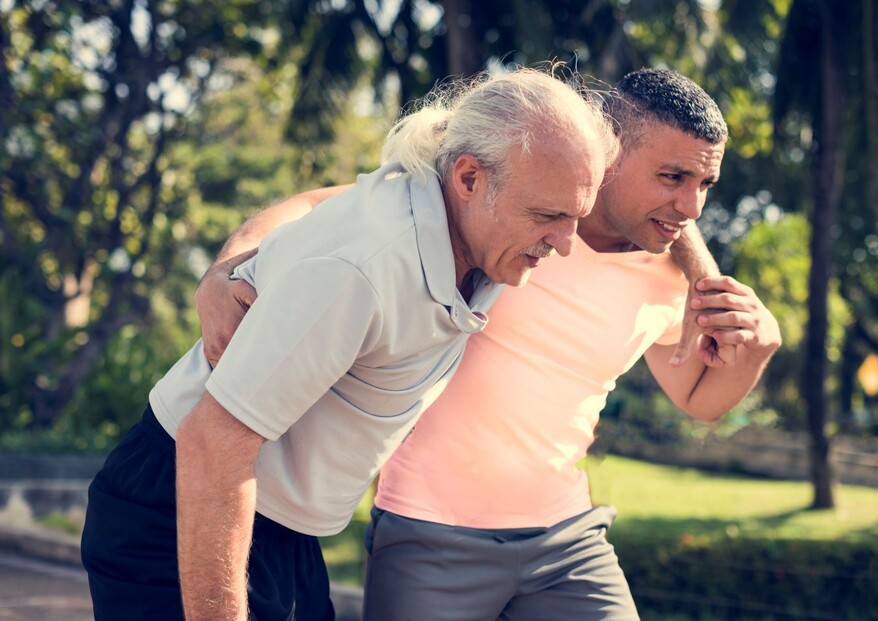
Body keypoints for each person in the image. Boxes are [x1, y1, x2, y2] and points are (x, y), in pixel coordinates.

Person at [198, 69, 782, 620]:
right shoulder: (500, 203)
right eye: (672, 177)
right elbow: (312, 207)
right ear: (609, 153)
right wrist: (225, 267)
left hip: (566, 538)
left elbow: (699, 398)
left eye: (705, 183)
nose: (693, 205)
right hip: (426, 531)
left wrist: (757, 348)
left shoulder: (671, 273)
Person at [79, 67, 621, 621]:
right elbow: (212, 442)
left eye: (574, 216)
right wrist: (224, 271)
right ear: (468, 179)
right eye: (548, 217)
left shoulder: (459, 217)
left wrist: (700, 268)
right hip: (182, 504)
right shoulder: (363, 269)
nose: (565, 244)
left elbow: (316, 200)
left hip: (280, 525)